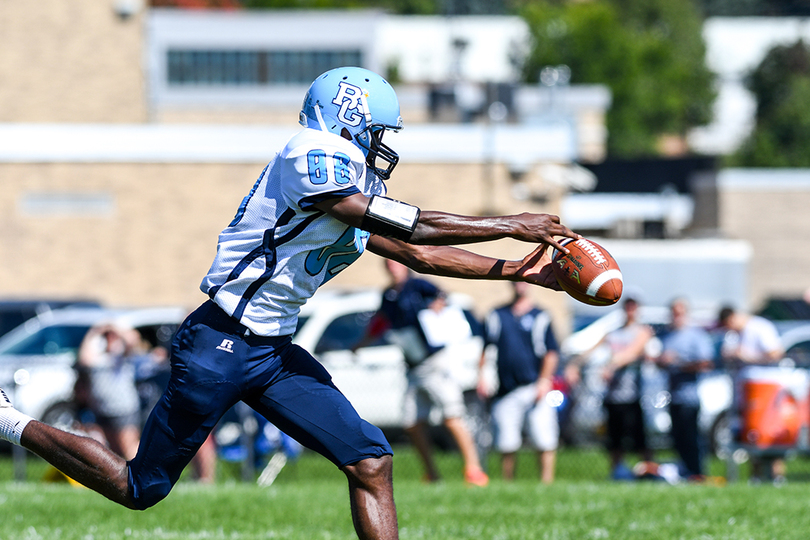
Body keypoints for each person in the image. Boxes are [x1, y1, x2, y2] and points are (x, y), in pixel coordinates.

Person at [0, 66, 577, 540]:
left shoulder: (352, 179)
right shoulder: (310, 153)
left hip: (273, 352)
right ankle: (9, 420)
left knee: (371, 460)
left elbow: (415, 253)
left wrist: (522, 271)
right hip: (219, 342)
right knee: (140, 487)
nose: (384, 144)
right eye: (379, 130)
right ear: (350, 118)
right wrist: (509, 223)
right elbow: (407, 224)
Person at [360, 259, 488, 486]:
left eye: (395, 263)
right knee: (411, 422)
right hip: (413, 366)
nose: (392, 267)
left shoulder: (417, 285)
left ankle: (473, 469)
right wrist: (361, 343)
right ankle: (431, 473)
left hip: (435, 362)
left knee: (452, 416)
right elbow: (381, 322)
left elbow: (442, 296)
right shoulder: (388, 295)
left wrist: (438, 304)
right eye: (388, 264)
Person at [477, 281, 560, 484]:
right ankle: (508, 483)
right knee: (506, 441)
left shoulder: (541, 315)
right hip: (505, 389)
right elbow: (485, 348)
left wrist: (543, 381)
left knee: (544, 438)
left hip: (533, 386)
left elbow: (551, 352)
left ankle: (547, 482)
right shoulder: (497, 315)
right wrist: (482, 377)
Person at [565, 296, 654, 478]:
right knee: (615, 439)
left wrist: (611, 366)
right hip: (613, 395)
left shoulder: (643, 331)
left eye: (633, 306)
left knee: (639, 439)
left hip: (633, 395)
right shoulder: (613, 333)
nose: (630, 310)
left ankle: (649, 472)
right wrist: (573, 365)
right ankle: (617, 473)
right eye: (627, 306)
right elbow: (590, 351)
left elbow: (631, 353)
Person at [718, 306, 786, 483]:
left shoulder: (760, 327)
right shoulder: (735, 335)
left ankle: (777, 476)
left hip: (764, 388)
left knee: (768, 432)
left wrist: (747, 357)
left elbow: (776, 353)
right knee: (750, 434)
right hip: (745, 390)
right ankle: (756, 476)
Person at [654, 298, 714, 479]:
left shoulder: (696, 335)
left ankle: (697, 472)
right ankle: (684, 471)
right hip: (672, 395)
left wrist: (678, 363)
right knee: (677, 437)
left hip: (690, 396)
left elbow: (705, 363)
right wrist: (662, 362)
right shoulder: (666, 336)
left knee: (691, 437)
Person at [75, 322, 145, 460]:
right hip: (102, 409)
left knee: (128, 447)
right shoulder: (98, 356)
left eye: (112, 336)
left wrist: (114, 328)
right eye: (107, 336)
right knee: (113, 451)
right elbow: (83, 359)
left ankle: (142, 471)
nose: (110, 338)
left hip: (123, 410)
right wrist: (95, 331)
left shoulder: (123, 355)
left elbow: (133, 341)